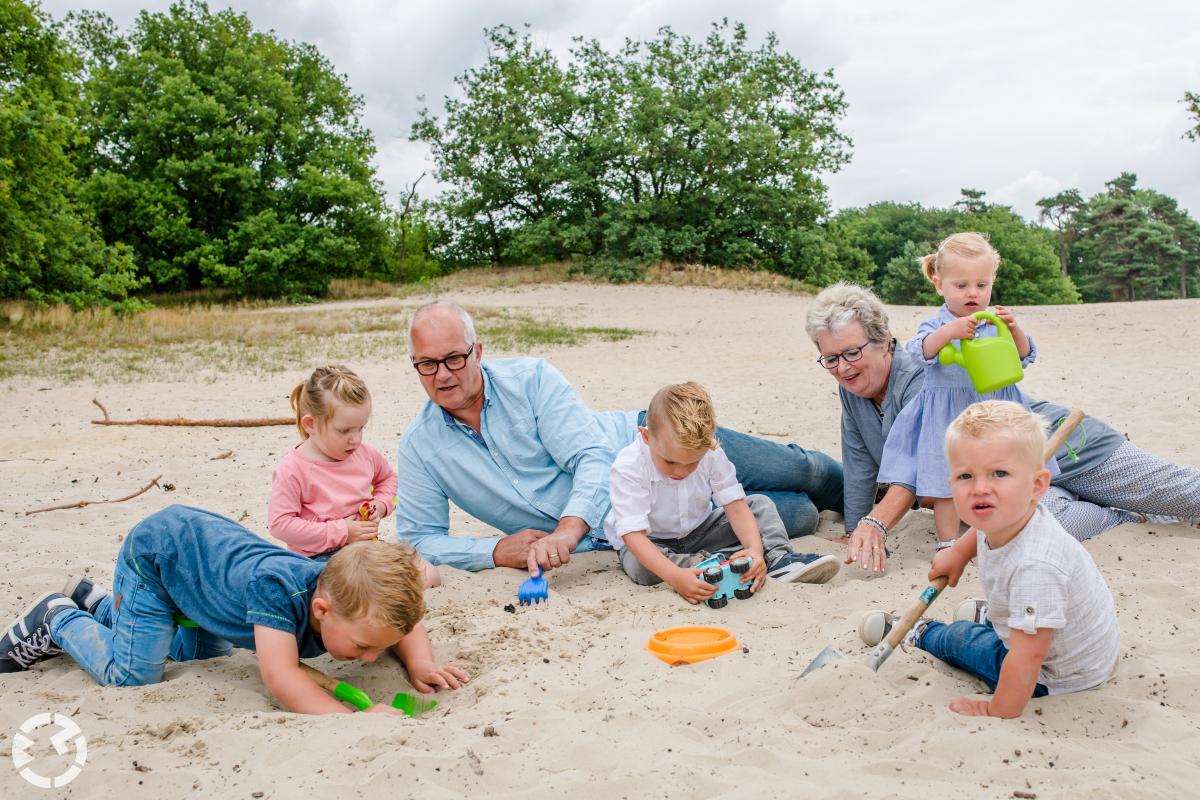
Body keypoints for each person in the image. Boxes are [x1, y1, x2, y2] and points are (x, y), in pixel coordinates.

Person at [395, 300, 844, 575]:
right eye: (427, 364)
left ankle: (874, 496)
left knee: (802, 470)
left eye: (454, 358)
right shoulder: (420, 446)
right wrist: (492, 550)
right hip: (639, 529)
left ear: (477, 351)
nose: (443, 375)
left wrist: (569, 529)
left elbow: (590, 457)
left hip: (662, 444)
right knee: (801, 515)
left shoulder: (531, 379)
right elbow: (418, 539)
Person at [805, 281, 1200, 574]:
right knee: (1033, 529)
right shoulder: (853, 392)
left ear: (885, 342)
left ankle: (1132, 500)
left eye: (852, 352)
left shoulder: (924, 374)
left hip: (1066, 448)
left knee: (1184, 494)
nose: (843, 367)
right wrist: (856, 527)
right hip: (1011, 483)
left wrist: (877, 523)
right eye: (831, 359)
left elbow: (915, 463)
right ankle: (1123, 516)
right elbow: (859, 463)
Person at [0, 505, 468, 715]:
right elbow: (281, 677)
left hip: (200, 584)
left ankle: (101, 603)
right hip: (159, 561)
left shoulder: (347, 585)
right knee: (134, 674)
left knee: (194, 656)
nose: (369, 658)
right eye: (364, 647)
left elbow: (399, 616)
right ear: (321, 609)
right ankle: (58, 616)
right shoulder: (274, 593)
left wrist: (419, 660)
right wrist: (351, 718)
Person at [859, 402, 1119, 718]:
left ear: (1037, 486)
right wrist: (957, 553)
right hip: (1071, 643)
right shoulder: (1007, 512)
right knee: (1024, 615)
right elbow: (979, 531)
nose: (980, 489)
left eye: (999, 473)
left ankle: (922, 632)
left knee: (961, 640)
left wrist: (996, 710)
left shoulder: (1035, 567)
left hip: (1054, 676)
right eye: (966, 475)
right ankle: (1003, 618)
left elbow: (1027, 658)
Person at [878, 232, 1052, 550]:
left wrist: (1015, 329)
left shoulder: (994, 321)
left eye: (981, 285)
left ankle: (1012, 529)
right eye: (961, 286)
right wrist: (949, 332)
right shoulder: (937, 324)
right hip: (949, 415)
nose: (972, 293)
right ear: (938, 282)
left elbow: (1025, 356)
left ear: (992, 281)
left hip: (996, 410)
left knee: (1007, 469)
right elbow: (919, 351)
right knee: (947, 475)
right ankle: (948, 542)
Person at [605, 382, 840, 601]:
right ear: (646, 437)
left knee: (760, 504)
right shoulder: (629, 466)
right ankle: (701, 566)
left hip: (700, 530)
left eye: (692, 463)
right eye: (670, 462)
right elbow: (633, 536)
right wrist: (675, 578)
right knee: (639, 565)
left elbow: (735, 506)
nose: (681, 471)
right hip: (651, 540)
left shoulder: (711, 452)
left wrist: (754, 549)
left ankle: (778, 558)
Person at [269, 364, 440, 586]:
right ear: (311, 424)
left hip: (367, 549)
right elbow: (280, 524)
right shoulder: (293, 469)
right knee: (360, 589)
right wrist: (341, 531)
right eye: (344, 431)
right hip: (318, 560)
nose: (356, 439)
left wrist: (381, 504)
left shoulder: (365, 454)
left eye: (360, 428)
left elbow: (388, 479)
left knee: (430, 575)